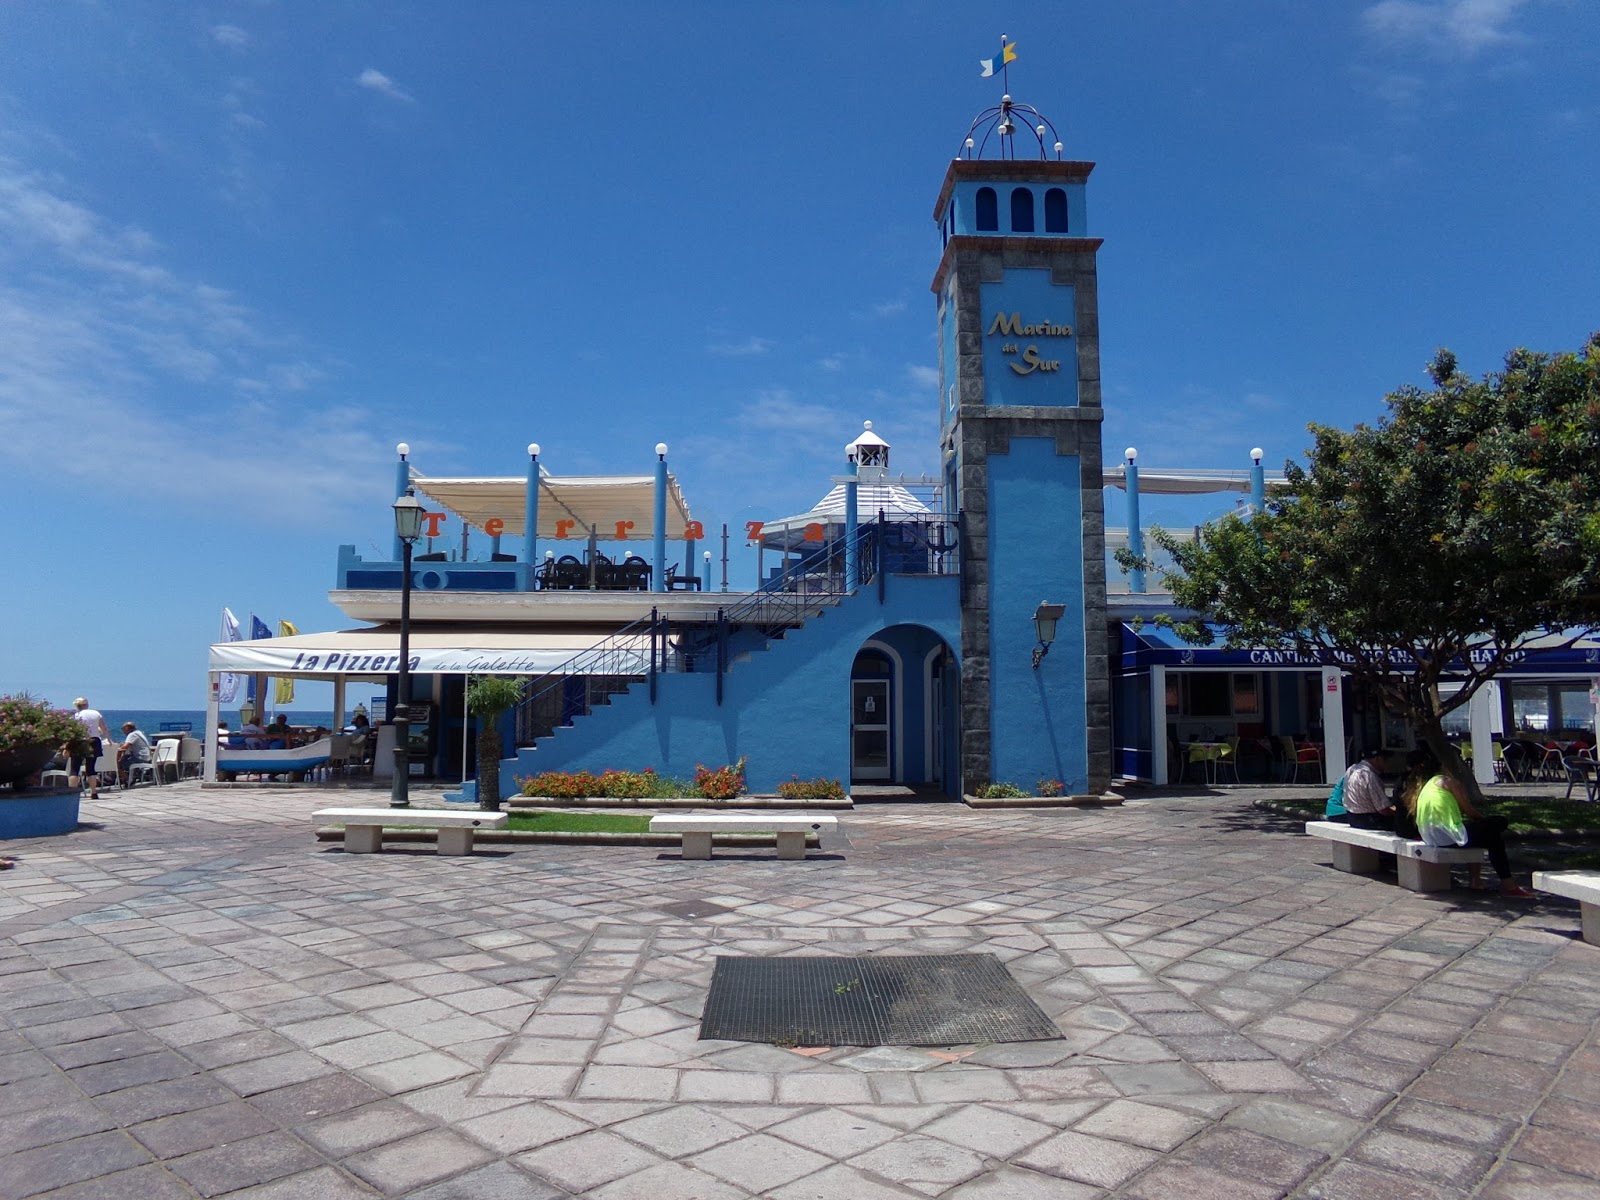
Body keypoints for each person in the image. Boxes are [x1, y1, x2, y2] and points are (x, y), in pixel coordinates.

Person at [1406, 755, 1535, 898]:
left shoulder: (1427, 786)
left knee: (1488, 835)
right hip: (1447, 837)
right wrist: (1484, 821)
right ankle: (1508, 885)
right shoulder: (1447, 782)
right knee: (1498, 824)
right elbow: (1469, 809)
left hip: (1431, 837)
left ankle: (1479, 881)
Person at [1342, 746, 1395, 831]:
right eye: (1385, 759)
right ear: (1377, 759)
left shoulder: (1352, 769)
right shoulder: (1369, 776)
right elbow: (1383, 810)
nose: (1387, 763)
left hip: (1352, 817)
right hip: (1369, 820)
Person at [68, 697, 112, 799]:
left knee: (74, 768)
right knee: (91, 768)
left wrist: (67, 746)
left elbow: (71, 732)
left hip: (79, 741)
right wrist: (109, 739)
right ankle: (94, 792)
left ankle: (72, 793)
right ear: (86, 704)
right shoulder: (95, 713)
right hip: (94, 740)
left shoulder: (75, 716)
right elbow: (103, 727)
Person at [117, 721, 152, 787]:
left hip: (140, 758)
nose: (123, 731)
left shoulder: (132, 734)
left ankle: (129, 780)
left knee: (118, 765)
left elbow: (125, 747)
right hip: (146, 757)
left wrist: (117, 749)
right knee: (124, 758)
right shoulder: (139, 733)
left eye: (123, 728)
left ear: (127, 728)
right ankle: (132, 776)